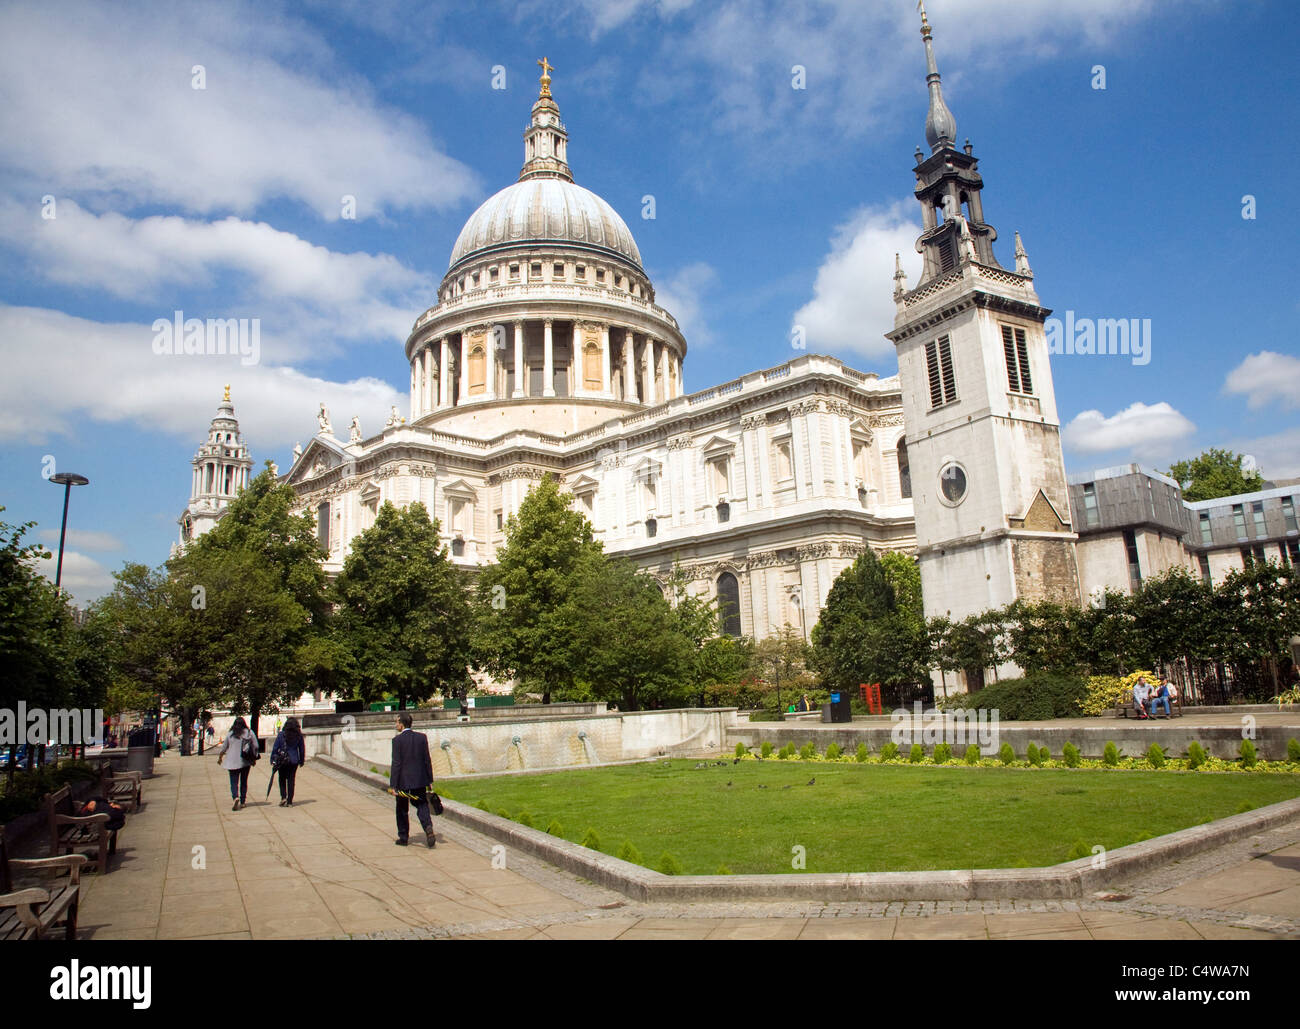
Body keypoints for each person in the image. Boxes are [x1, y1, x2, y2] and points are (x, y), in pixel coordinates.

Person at [389, 712, 436, 848]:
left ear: (402, 724)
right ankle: (428, 827)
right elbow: (427, 760)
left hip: (403, 781)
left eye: (397, 722)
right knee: (422, 805)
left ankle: (403, 837)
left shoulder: (397, 741)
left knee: (402, 809)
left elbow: (396, 764)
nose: (396, 724)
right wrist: (429, 780)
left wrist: (393, 785)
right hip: (419, 779)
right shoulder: (421, 738)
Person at [217, 717, 258, 810]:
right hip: (245, 761)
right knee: (244, 781)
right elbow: (256, 746)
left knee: (233, 782)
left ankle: (235, 797)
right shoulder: (249, 732)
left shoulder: (231, 734)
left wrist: (220, 757)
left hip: (232, 761)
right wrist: (254, 757)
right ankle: (243, 801)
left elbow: (224, 747)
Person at [270, 717, 307, 806]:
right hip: (293, 760)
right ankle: (290, 801)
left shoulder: (281, 734)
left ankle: (283, 797)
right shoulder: (298, 735)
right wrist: (301, 760)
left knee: (282, 778)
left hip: (282, 759)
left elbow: (275, 747)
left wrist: (272, 759)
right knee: (291, 780)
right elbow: (301, 749)